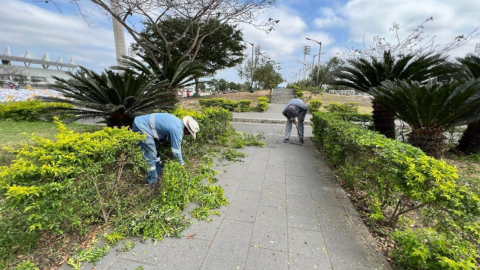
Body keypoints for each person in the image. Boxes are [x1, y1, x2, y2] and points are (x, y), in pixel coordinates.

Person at [132, 113, 200, 184]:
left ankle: (158, 173)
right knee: (151, 154)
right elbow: (176, 152)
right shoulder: (177, 131)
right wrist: (181, 165)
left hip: (144, 124)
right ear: (187, 130)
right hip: (142, 126)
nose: (187, 135)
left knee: (155, 150)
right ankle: (152, 182)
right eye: (189, 134)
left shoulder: (178, 123)